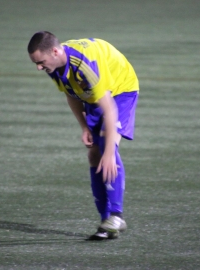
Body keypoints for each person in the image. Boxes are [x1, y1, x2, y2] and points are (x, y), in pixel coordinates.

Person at [27, 31, 139, 240]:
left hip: (120, 91)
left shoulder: (85, 67)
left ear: (54, 51)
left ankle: (117, 216)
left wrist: (109, 153)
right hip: (97, 94)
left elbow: (110, 108)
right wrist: (84, 127)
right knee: (93, 156)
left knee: (107, 149)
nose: (38, 67)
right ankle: (106, 224)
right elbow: (72, 94)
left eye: (40, 62)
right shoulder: (54, 65)